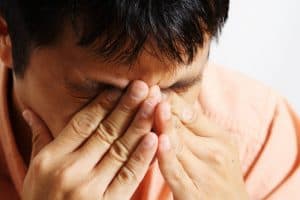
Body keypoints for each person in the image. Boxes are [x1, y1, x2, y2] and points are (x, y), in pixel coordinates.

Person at [0, 1, 299, 199]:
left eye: (181, 86)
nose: (152, 124)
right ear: (7, 38)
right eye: (107, 92)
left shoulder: (258, 142)